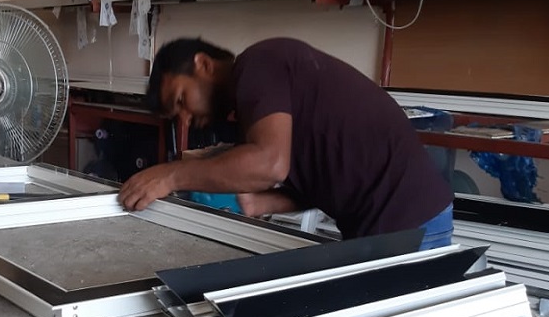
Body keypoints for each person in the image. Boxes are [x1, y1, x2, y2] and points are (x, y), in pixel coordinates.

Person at [117, 37, 453, 250]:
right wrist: (260, 203)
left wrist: (172, 175)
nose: (187, 119)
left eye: (181, 100)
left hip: (408, 223)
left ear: (203, 65)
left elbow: (270, 164)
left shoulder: (257, 64)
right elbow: (320, 179)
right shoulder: (256, 112)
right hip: (396, 222)